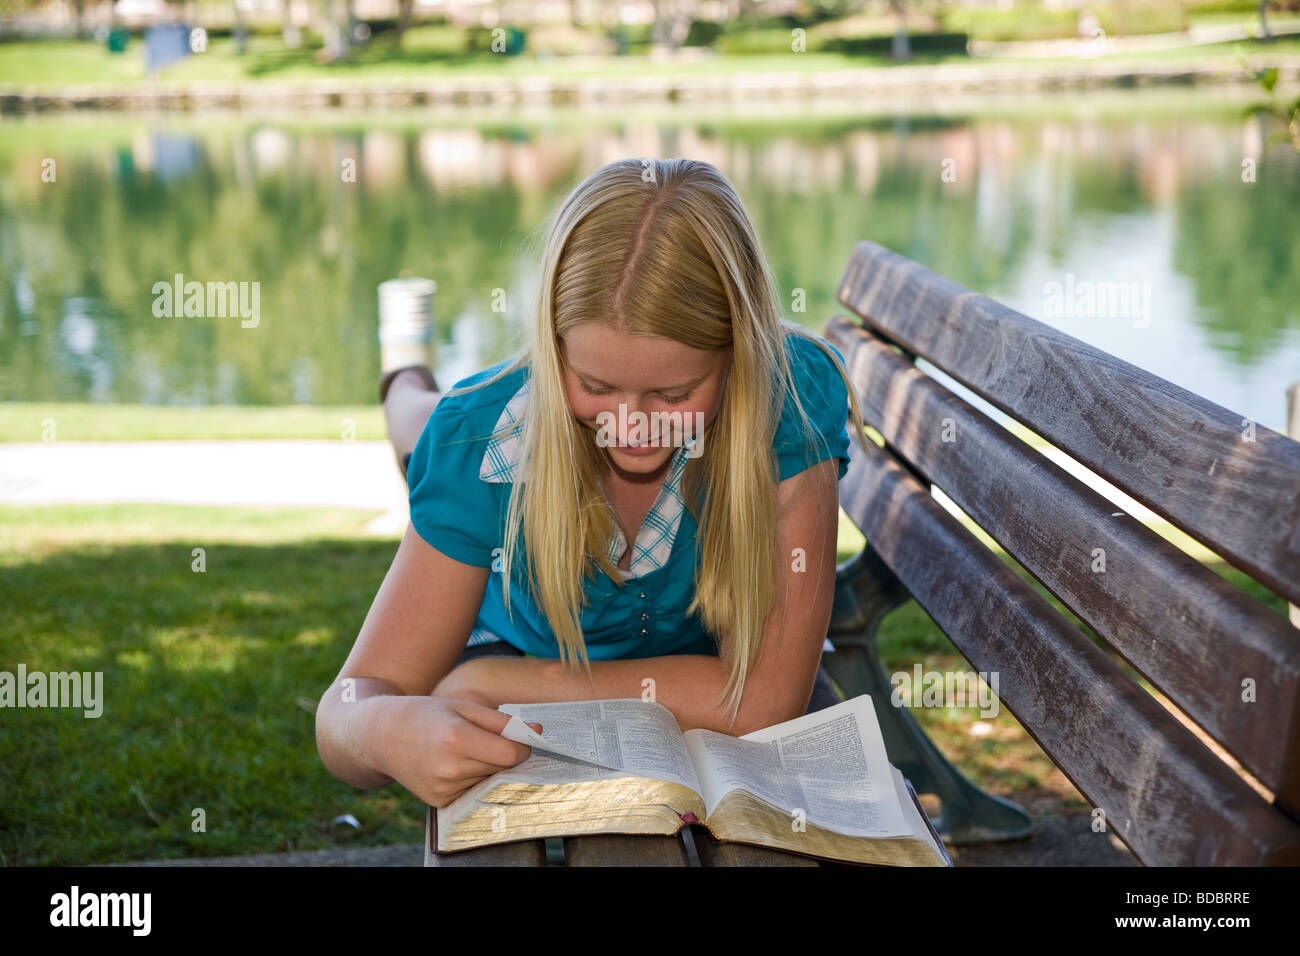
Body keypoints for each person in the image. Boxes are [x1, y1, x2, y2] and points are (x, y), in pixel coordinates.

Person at [316, 158, 870, 810]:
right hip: (468, 445)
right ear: (552, 353)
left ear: (737, 354)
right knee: (425, 421)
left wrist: (492, 680)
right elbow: (350, 704)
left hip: (519, 661)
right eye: (597, 386)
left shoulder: (790, 398)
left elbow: (765, 701)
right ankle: (404, 379)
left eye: (673, 393)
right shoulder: (478, 440)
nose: (631, 427)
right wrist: (385, 730)